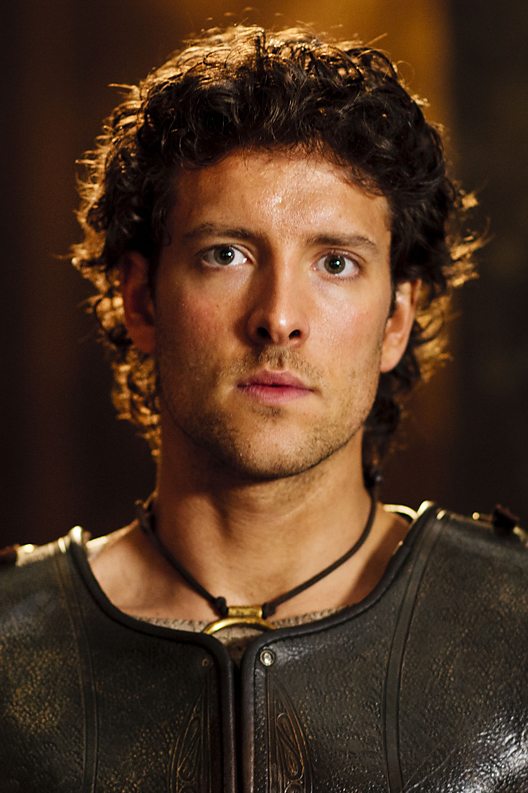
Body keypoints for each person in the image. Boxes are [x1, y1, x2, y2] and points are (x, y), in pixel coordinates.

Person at [1, 24, 526, 793]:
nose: (278, 317)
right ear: (140, 299)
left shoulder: (516, 630)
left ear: (395, 320)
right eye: (226, 254)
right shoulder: (10, 652)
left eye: (335, 262)